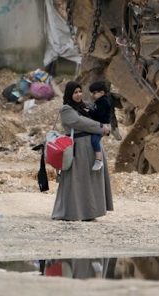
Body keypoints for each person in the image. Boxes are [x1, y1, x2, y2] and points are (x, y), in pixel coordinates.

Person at [51, 81, 113, 221]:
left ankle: (90, 213)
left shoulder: (85, 107)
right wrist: (101, 127)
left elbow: (100, 115)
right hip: (78, 150)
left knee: (91, 181)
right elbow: (80, 122)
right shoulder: (67, 109)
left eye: (80, 91)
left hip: (91, 149)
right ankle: (69, 213)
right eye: (75, 92)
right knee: (76, 181)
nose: (79, 95)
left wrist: (105, 125)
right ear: (69, 94)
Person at [87, 81, 112, 171]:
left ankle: (99, 160)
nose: (92, 95)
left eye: (94, 93)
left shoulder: (104, 102)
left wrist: (89, 112)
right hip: (100, 124)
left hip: (103, 125)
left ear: (101, 92)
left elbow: (99, 114)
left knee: (94, 140)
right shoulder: (100, 100)